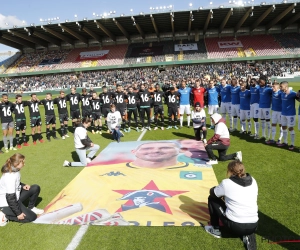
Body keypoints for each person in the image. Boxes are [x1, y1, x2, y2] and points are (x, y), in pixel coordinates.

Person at [205, 161, 258, 250]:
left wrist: (216, 189)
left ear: (229, 171)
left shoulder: (227, 183)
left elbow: (213, 193)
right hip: (253, 225)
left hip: (235, 226)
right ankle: (248, 235)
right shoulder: (253, 180)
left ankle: (215, 228)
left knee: (212, 199)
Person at [0, 153, 44, 223]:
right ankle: (5, 215)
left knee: (35, 188)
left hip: (15, 198)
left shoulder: (14, 169)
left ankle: (31, 207)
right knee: (32, 217)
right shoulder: (10, 177)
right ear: (17, 163)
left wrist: (23, 185)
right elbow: (10, 198)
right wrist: (18, 213)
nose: (24, 164)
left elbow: (16, 183)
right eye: (23, 162)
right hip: (6, 203)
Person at [277, 81, 297, 150]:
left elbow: (298, 96)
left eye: (281, 86)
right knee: (283, 127)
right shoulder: (282, 93)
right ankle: (285, 142)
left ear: (286, 86)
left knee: (290, 128)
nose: (280, 87)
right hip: (283, 113)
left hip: (290, 114)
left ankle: (292, 144)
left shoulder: (292, 93)